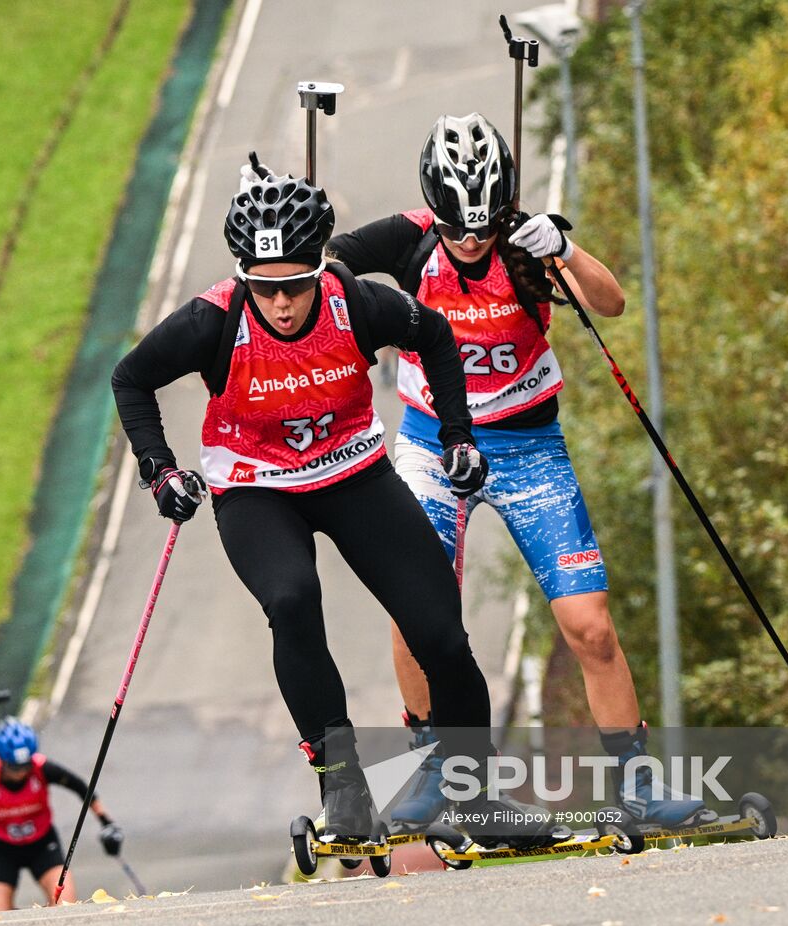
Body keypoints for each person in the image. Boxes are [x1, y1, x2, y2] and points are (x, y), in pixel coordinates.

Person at [111, 169, 554, 848]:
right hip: (256, 486)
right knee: (291, 599)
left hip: (353, 473)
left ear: (321, 266)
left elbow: (435, 337)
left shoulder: (356, 302)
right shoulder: (214, 318)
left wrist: (458, 436)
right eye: (265, 287)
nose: (282, 303)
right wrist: (160, 470)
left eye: (295, 283)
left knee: (439, 629)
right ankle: (343, 789)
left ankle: (477, 798)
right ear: (244, 277)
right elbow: (131, 378)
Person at [326, 113, 705, 829]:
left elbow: (612, 303)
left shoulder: (528, 244)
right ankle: (437, 767)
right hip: (433, 445)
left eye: (484, 227)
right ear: (432, 208)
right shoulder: (408, 239)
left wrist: (565, 247)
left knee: (588, 625)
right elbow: (328, 266)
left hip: (530, 447)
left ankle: (639, 783)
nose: (471, 242)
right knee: (414, 615)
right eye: (456, 228)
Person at [0, 717, 124, 909]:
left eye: (26, 765)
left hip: (42, 845)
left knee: (66, 906)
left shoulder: (42, 768)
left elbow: (83, 789)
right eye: (14, 767)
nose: (21, 773)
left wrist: (107, 823)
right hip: (3, 850)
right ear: (1, 760)